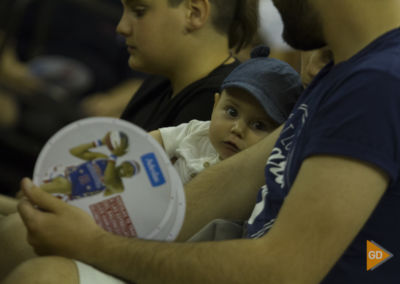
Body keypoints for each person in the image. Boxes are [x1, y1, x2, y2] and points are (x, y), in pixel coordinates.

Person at [2, 0, 400, 283]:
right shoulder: (343, 71)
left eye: (139, 11)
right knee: (20, 237)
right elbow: (233, 181)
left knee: (45, 275)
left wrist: (94, 245)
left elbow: (279, 271)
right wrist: (80, 223)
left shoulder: (378, 81)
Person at [150, 46, 302, 183]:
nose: (237, 129)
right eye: (232, 112)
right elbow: (153, 141)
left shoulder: (256, 180)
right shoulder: (197, 131)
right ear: (216, 103)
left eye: (258, 125)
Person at [119, 0, 259, 130]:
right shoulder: (161, 81)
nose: (122, 28)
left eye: (139, 12)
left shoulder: (223, 105)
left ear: (194, 13)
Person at [38, 131, 140, 199]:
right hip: (62, 174)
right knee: (31, 193)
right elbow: (74, 151)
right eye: (129, 166)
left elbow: (108, 179)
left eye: (131, 172)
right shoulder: (103, 158)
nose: (128, 170)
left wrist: (113, 156)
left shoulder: (119, 187)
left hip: (66, 194)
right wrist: (100, 142)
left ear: (129, 177)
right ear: (123, 162)